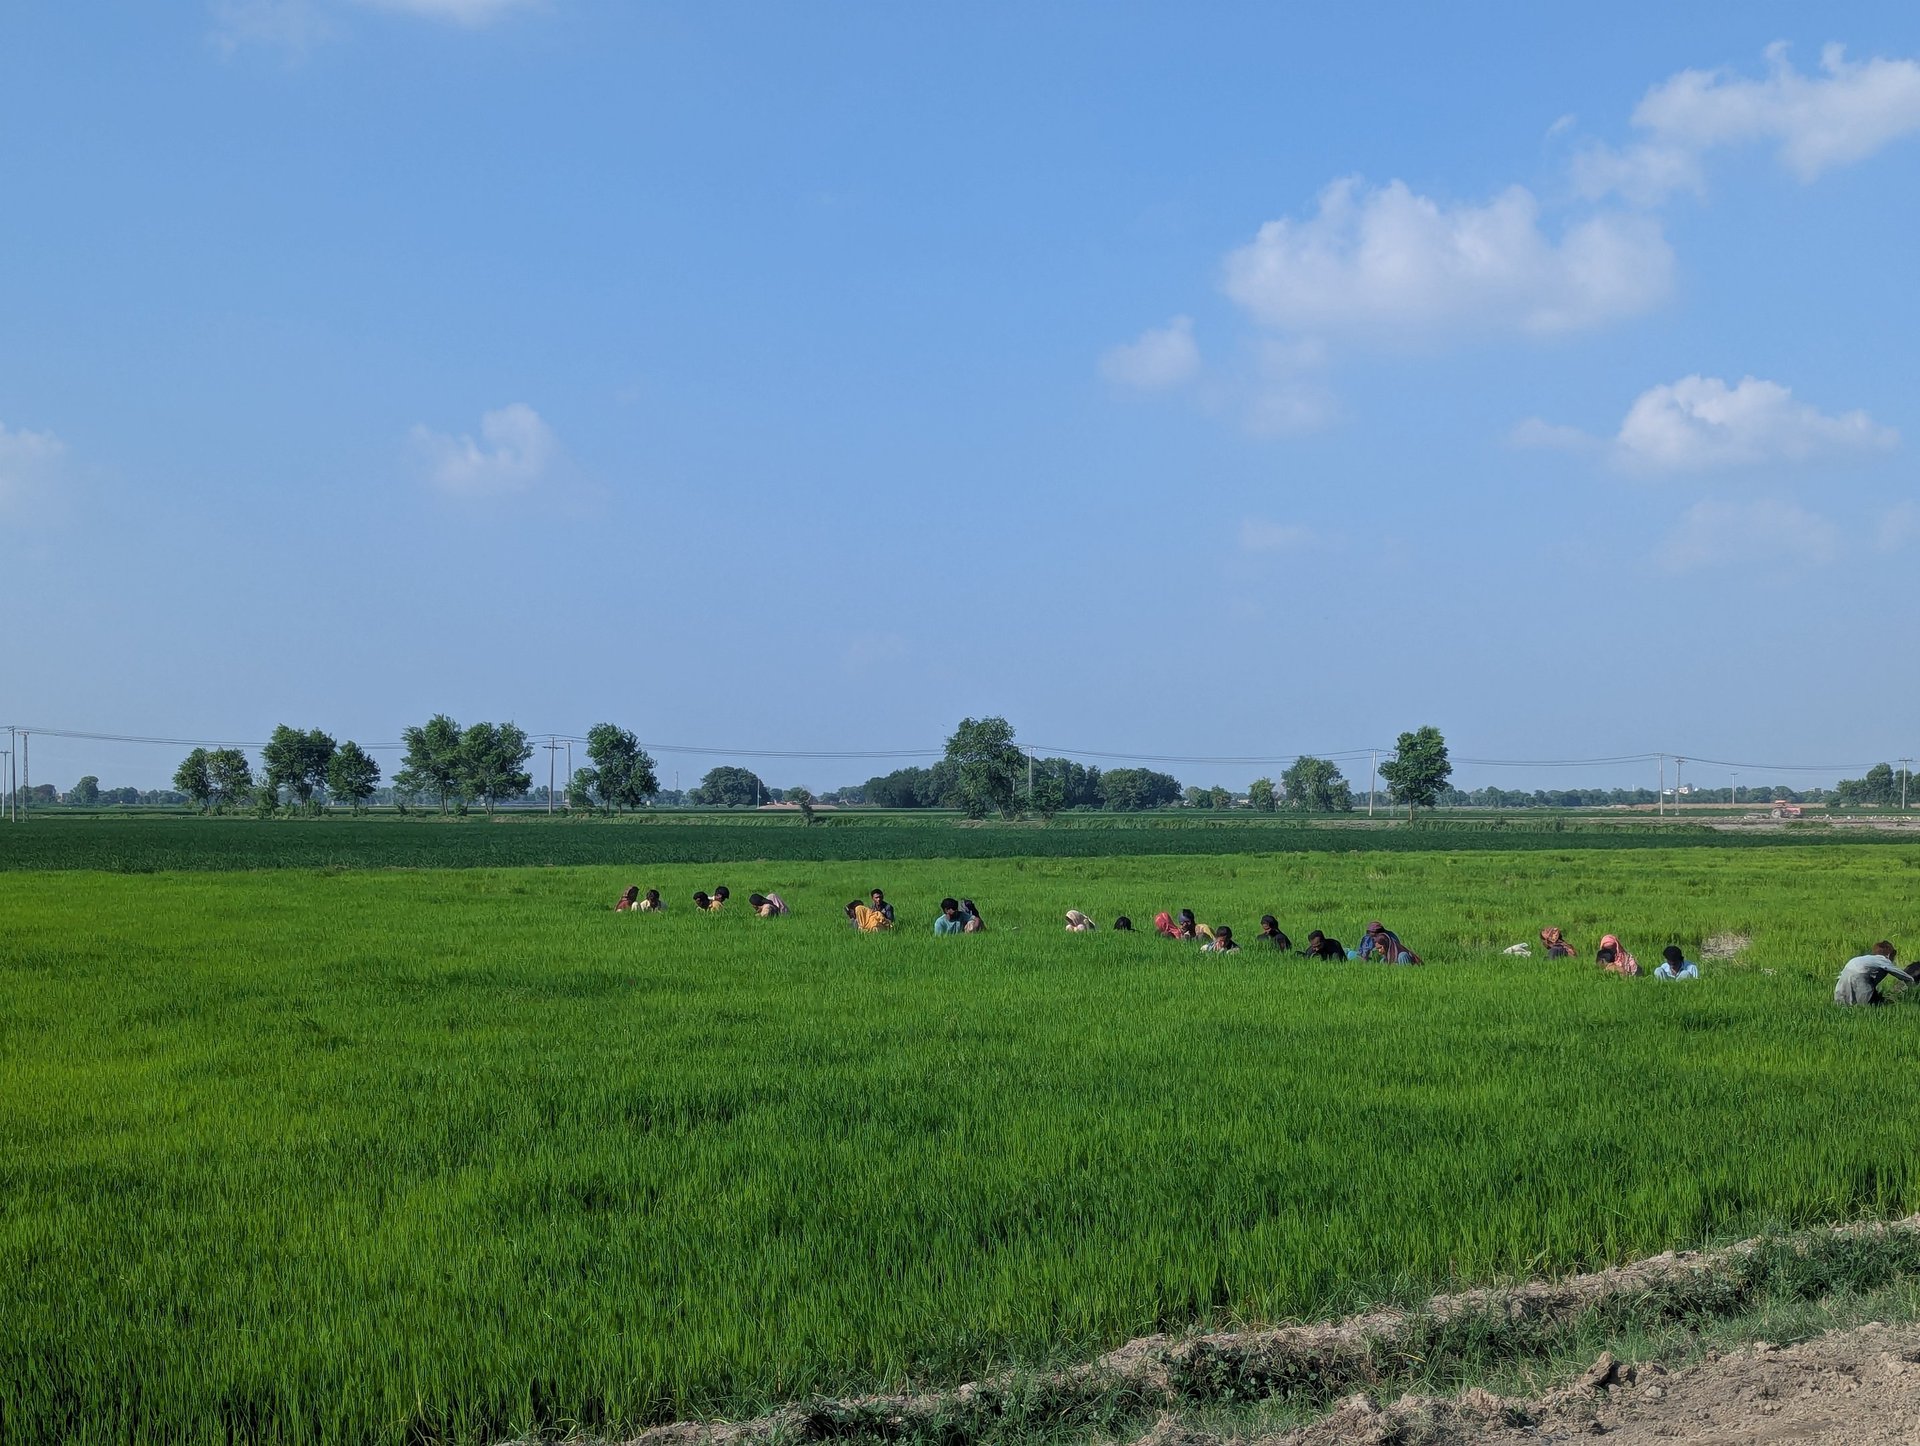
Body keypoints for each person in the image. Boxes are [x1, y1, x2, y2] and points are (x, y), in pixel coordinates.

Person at [1835, 942, 1915, 1006]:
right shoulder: (1882, 959)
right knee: (1866, 1007)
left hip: (1845, 975)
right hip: (1860, 975)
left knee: (1844, 1004)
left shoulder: (1867, 958)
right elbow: (1897, 972)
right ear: (1889, 954)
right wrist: (1911, 981)